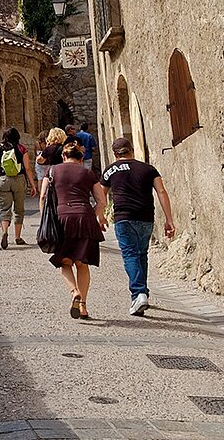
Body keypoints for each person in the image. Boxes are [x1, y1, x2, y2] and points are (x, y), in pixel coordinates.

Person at [101, 137, 176, 316]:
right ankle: (143, 292)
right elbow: (161, 191)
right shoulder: (148, 169)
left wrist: (100, 216)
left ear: (114, 154)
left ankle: (138, 293)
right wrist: (169, 219)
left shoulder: (110, 170)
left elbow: (101, 195)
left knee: (130, 255)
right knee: (141, 254)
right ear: (132, 150)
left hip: (123, 218)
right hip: (145, 218)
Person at [41, 144, 107, 320]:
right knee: (82, 264)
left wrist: (45, 222)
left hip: (61, 218)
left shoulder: (52, 171)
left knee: (64, 262)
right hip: (84, 217)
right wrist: (92, 217)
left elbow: (42, 197)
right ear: (81, 158)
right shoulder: (88, 173)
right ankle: (83, 306)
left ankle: (74, 292)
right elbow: (101, 201)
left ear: (63, 155)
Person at [0, 127, 36, 249]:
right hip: (18, 180)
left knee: (4, 209)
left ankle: (4, 232)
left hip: (1, 180)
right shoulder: (21, 149)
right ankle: (18, 237)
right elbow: (28, 168)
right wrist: (32, 185)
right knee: (19, 209)